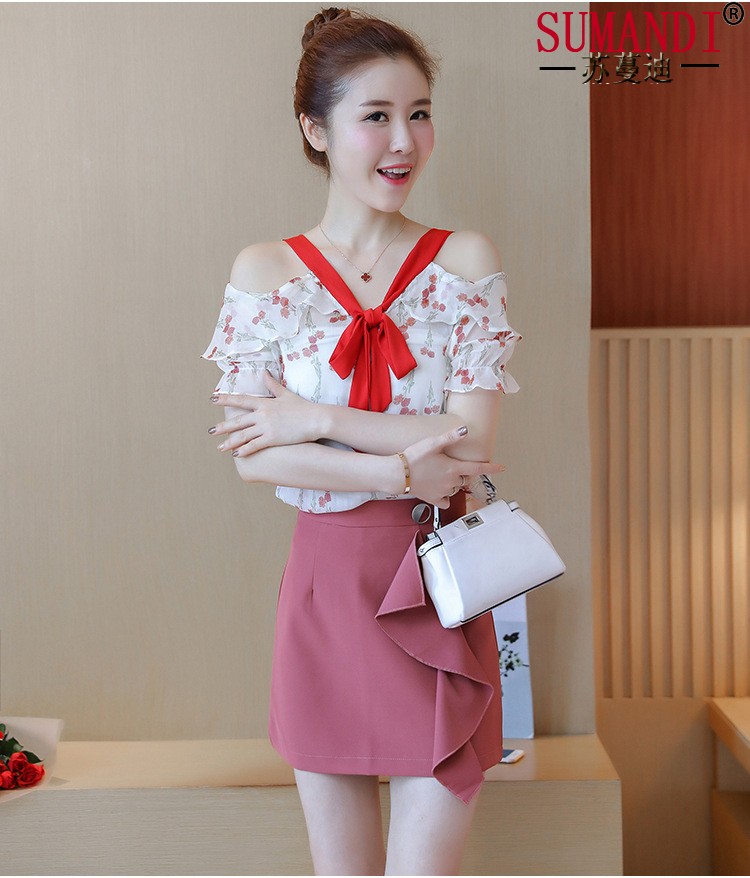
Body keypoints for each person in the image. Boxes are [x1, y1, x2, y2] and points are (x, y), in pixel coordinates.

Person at [201, 7, 522, 875]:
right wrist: (399, 469)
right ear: (316, 129)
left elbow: (468, 445)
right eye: (375, 116)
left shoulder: (464, 264)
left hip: (438, 587)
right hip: (325, 592)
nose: (404, 141)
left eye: (419, 113)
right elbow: (252, 457)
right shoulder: (264, 273)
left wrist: (317, 420)